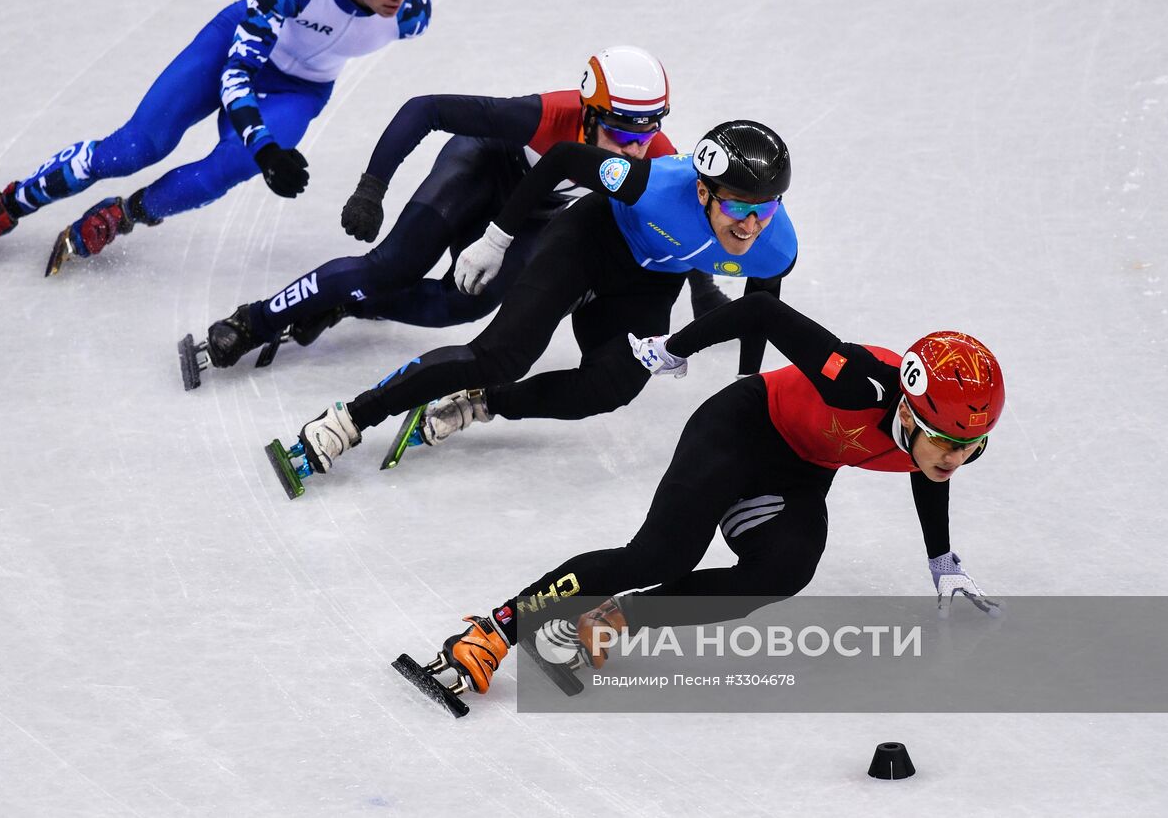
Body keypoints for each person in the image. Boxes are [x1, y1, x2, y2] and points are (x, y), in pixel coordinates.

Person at [398, 294, 1006, 703]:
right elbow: (762, 310)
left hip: (798, 471)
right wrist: (675, 346)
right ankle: (497, 629)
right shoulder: (854, 381)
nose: (956, 458)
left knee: (783, 572)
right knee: (659, 557)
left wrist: (942, 562)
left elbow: (931, 474)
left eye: (971, 446)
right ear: (907, 407)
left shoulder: (941, 444)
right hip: (739, 429)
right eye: (947, 441)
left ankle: (616, 620)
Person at [0, 0, 432, 276]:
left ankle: (122, 216)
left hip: (299, 90)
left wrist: (258, 152)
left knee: (224, 171)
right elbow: (236, 74)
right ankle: (8, 205)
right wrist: (266, 148)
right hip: (234, 52)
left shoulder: (411, 13)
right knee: (135, 147)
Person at [287, 118, 798, 476]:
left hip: (646, 285)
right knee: (501, 355)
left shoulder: (774, 245)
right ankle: (349, 419)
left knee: (612, 387)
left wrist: (746, 388)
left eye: (766, 209)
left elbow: (760, 311)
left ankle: (481, 406)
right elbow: (564, 157)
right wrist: (497, 238)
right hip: (590, 241)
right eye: (737, 206)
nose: (751, 225)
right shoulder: (656, 184)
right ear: (706, 191)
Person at [190, 46, 734, 371]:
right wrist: (371, 187)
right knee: (391, 267)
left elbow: (685, 221)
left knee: (465, 304)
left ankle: (346, 304)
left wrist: (705, 287)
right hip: (480, 169)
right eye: (618, 133)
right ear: (588, 115)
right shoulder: (543, 116)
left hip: (534, 213)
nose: (634, 149)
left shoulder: (651, 153)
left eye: (648, 134)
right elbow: (424, 109)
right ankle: (254, 319)